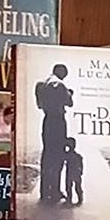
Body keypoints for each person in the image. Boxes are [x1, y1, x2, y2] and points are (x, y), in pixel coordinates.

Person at [34, 64, 73, 201]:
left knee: (47, 156)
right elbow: (69, 102)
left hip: (47, 121)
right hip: (58, 121)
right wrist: (69, 93)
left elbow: (40, 105)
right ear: (61, 73)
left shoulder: (41, 85)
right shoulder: (60, 85)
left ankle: (45, 191)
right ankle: (55, 190)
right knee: (57, 157)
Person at [63, 138, 84, 206]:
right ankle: (79, 199)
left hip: (70, 172)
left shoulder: (68, 155)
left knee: (70, 186)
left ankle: (70, 199)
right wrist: (81, 171)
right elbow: (81, 164)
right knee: (76, 186)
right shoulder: (77, 156)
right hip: (76, 172)